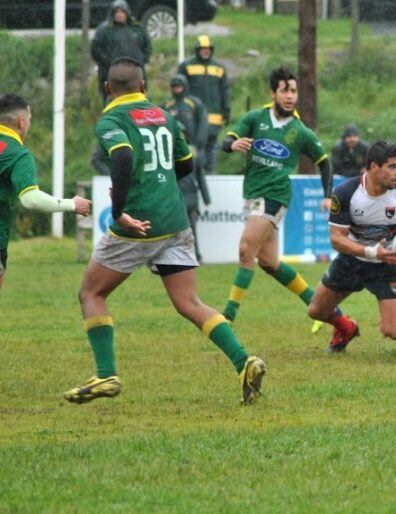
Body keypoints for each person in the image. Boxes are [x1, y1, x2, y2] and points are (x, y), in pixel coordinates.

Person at [63, 58, 265, 405]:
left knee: (91, 294)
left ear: (108, 88)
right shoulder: (163, 116)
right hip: (175, 220)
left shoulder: (112, 119)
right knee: (189, 302)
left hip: (139, 225)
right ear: (143, 86)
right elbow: (186, 164)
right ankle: (244, 361)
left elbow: (122, 158)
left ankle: (107, 374)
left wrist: (119, 209)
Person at [219, 66, 334, 323]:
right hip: (254, 193)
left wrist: (327, 195)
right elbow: (226, 142)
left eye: (293, 91)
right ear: (273, 93)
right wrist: (233, 144)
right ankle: (319, 306)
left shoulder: (300, 131)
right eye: (285, 90)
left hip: (276, 196)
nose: (290, 96)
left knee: (246, 249)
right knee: (269, 261)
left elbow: (325, 163)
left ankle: (229, 313)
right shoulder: (255, 118)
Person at [307, 141, 396, 351]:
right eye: (392, 167)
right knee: (316, 311)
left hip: (387, 267)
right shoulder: (346, 192)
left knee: (393, 330)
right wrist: (371, 251)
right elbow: (336, 239)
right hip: (351, 262)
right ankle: (346, 328)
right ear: (374, 166)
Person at [0, 94, 92, 290]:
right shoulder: (17, 154)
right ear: (20, 121)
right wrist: (72, 204)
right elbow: (30, 199)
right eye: (30, 120)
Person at [164, 74, 211, 261]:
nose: (176, 89)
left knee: (191, 228)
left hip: (190, 196)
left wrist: (206, 198)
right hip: (175, 196)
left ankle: (195, 255)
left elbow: (200, 177)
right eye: (173, 86)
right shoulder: (166, 106)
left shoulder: (194, 104)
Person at [178, 35, 230, 175]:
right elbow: (180, 90)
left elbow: (224, 90)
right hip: (193, 115)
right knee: (195, 145)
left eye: (208, 49)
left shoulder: (219, 68)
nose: (205, 52)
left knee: (212, 146)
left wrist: (227, 110)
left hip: (214, 115)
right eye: (203, 49)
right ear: (197, 50)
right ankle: (196, 173)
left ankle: (210, 173)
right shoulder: (186, 66)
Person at [91, 0, 151, 103]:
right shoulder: (104, 30)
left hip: (135, 74)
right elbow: (95, 50)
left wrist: (141, 60)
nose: (119, 15)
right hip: (112, 76)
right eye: (117, 12)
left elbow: (147, 46)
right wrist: (108, 63)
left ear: (127, 13)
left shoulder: (136, 29)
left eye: (122, 12)